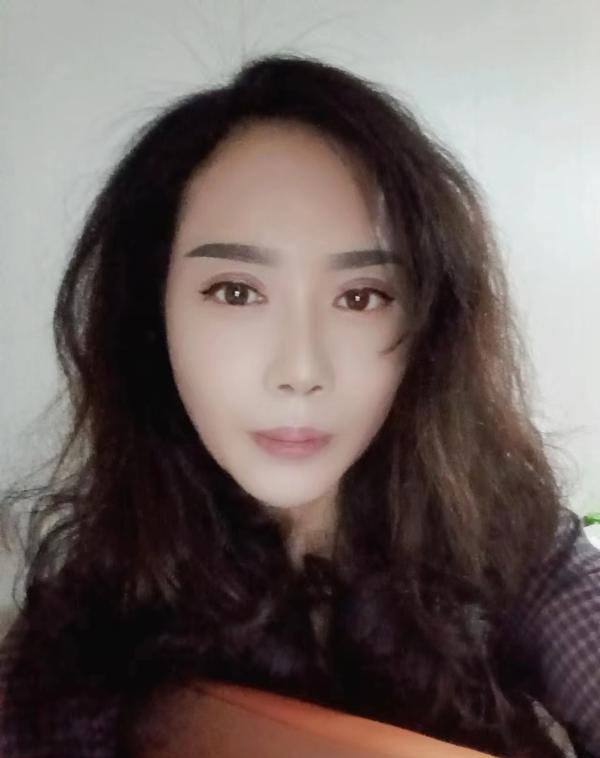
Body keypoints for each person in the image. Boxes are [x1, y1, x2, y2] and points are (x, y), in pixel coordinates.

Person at [0, 53, 598, 758]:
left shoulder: (513, 544)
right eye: (236, 292)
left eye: (361, 297)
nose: (301, 371)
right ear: (152, 316)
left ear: (428, 329)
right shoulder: (87, 619)